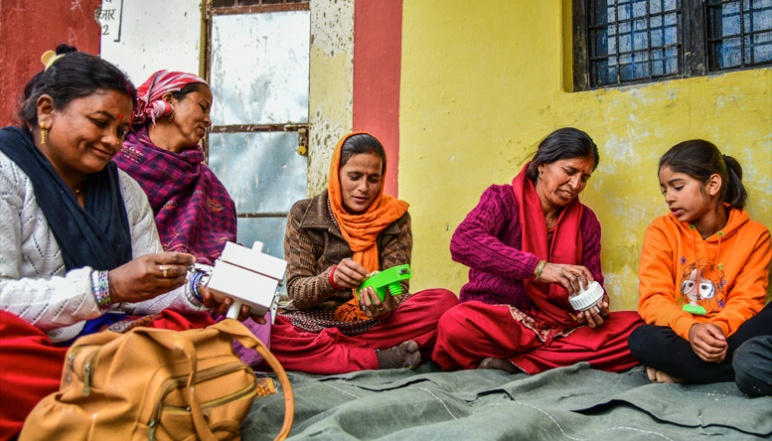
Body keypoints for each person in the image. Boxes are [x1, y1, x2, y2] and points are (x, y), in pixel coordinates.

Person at [0, 46, 249, 439]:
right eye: (100, 123)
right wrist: (107, 286)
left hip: (101, 338)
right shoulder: (6, 173)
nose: (113, 141)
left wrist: (201, 289)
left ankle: (101, 394)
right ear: (46, 111)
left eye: (120, 129)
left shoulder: (124, 188)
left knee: (189, 322)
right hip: (32, 348)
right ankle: (117, 392)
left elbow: (144, 291)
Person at [432, 127, 643, 374]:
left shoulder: (587, 222)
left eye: (584, 177)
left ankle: (516, 363)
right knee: (456, 323)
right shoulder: (502, 199)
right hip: (502, 323)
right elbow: (464, 242)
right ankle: (550, 361)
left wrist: (596, 306)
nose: (576, 184)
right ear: (542, 164)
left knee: (637, 329)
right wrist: (539, 268)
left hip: (559, 326)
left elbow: (592, 280)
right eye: (570, 171)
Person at [265, 132, 458, 374]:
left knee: (443, 303)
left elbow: (398, 289)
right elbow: (296, 291)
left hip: (374, 323)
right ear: (337, 173)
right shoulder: (304, 214)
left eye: (373, 179)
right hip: (315, 321)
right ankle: (376, 357)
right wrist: (331, 279)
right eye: (354, 177)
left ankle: (331, 353)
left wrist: (384, 305)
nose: (363, 188)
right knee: (262, 329)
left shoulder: (395, 218)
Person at [628, 140, 771, 391]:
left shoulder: (756, 236)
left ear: (713, 184)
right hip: (682, 335)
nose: (669, 198)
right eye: (665, 191)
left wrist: (716, 330)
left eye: (678, 187)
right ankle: (730, 369)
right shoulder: (661, 230)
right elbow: (653, 299)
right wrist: (691, 329)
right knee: (642, 340)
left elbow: (747, 301)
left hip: (730, 335)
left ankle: (687, 373)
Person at [113, 69, 236, 266]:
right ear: (169, 99)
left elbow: (221, 256)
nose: (208, 120)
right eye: (202, 107)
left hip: (190, 290)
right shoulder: (114, 162)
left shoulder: (208, 184)